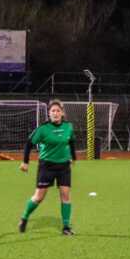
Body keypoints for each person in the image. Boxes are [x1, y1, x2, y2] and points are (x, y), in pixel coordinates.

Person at [18, 99, 76, 235]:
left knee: (65, 194)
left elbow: (72, 141)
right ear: (49, 114)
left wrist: (73, 156)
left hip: (64, 166)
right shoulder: (43, 129)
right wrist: (25, 162)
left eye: (58, 111)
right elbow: (29, 144)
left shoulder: (68, 126)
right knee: (39, 197)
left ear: (62, 113)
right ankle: (24, 217)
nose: (55, 113)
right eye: (52, 111)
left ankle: (66, 227)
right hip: (47, 166)